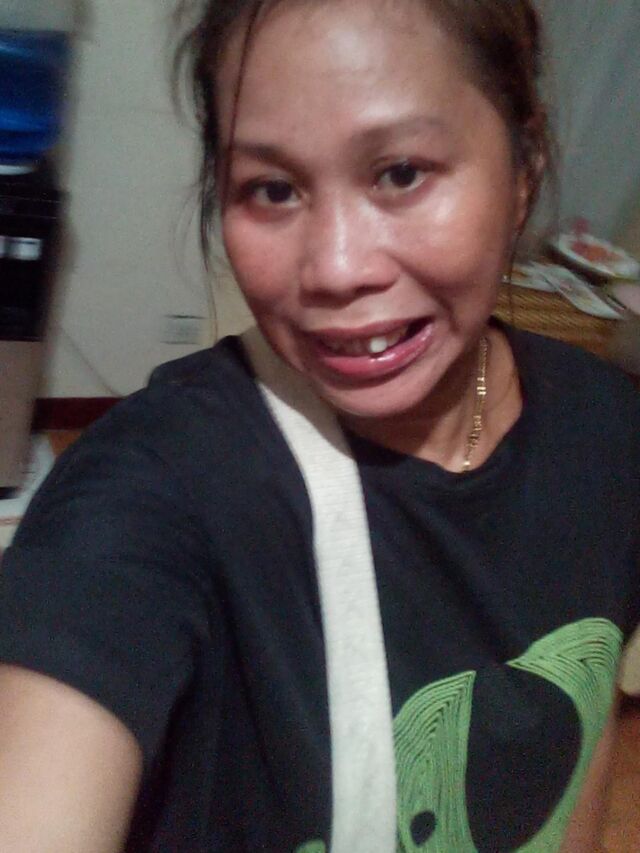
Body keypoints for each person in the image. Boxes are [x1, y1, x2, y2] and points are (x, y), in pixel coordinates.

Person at [0, 0, 638, 850]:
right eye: (272, 189)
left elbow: (581, 752)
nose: (335, 269)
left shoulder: (609, 434)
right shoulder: (161, 478)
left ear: (524, 168)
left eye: (401, 173)